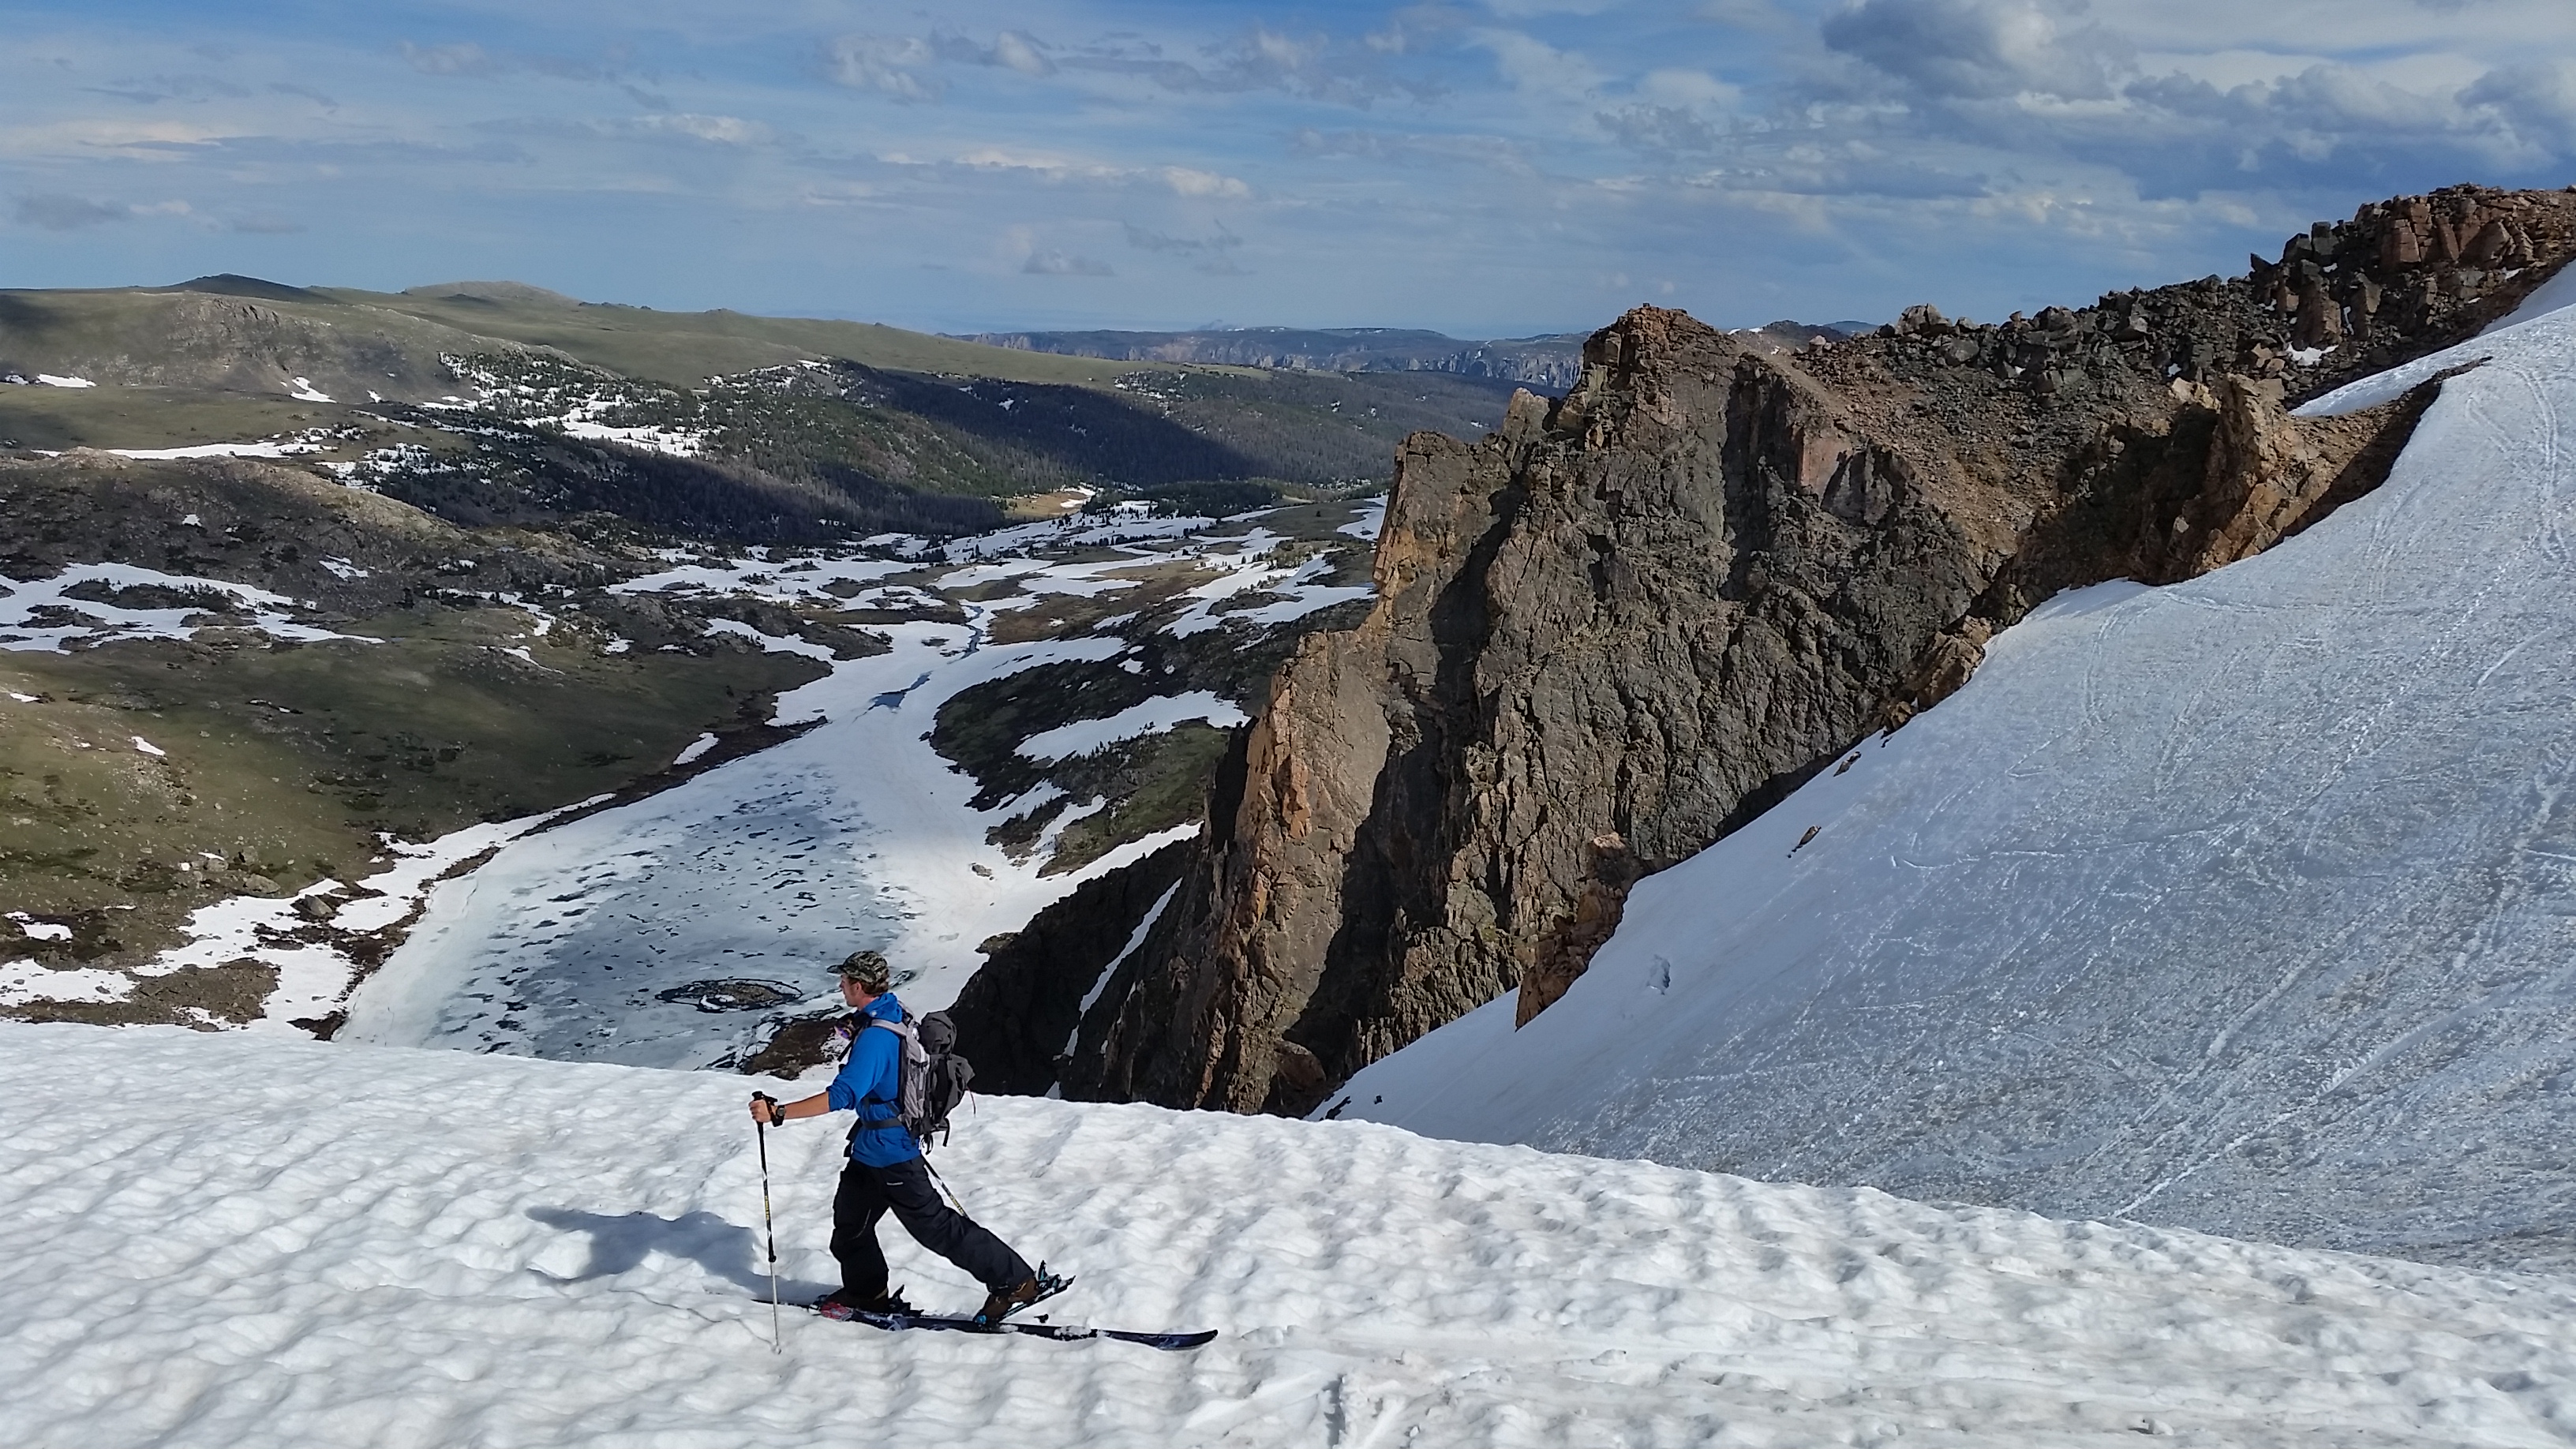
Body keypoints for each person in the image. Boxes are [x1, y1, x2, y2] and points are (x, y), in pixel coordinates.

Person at [748, 949, 1050, 1324]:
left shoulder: (877, 1037)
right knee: (849, 1228)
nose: (840, 985)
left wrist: (779, 1113)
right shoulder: (890, 1012)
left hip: (892, 1154)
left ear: (859, 986)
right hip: (870, 1152)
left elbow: (843, 1095)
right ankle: (867, 1292)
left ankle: (1017, 1282)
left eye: (844, 981)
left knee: (937, 1228)